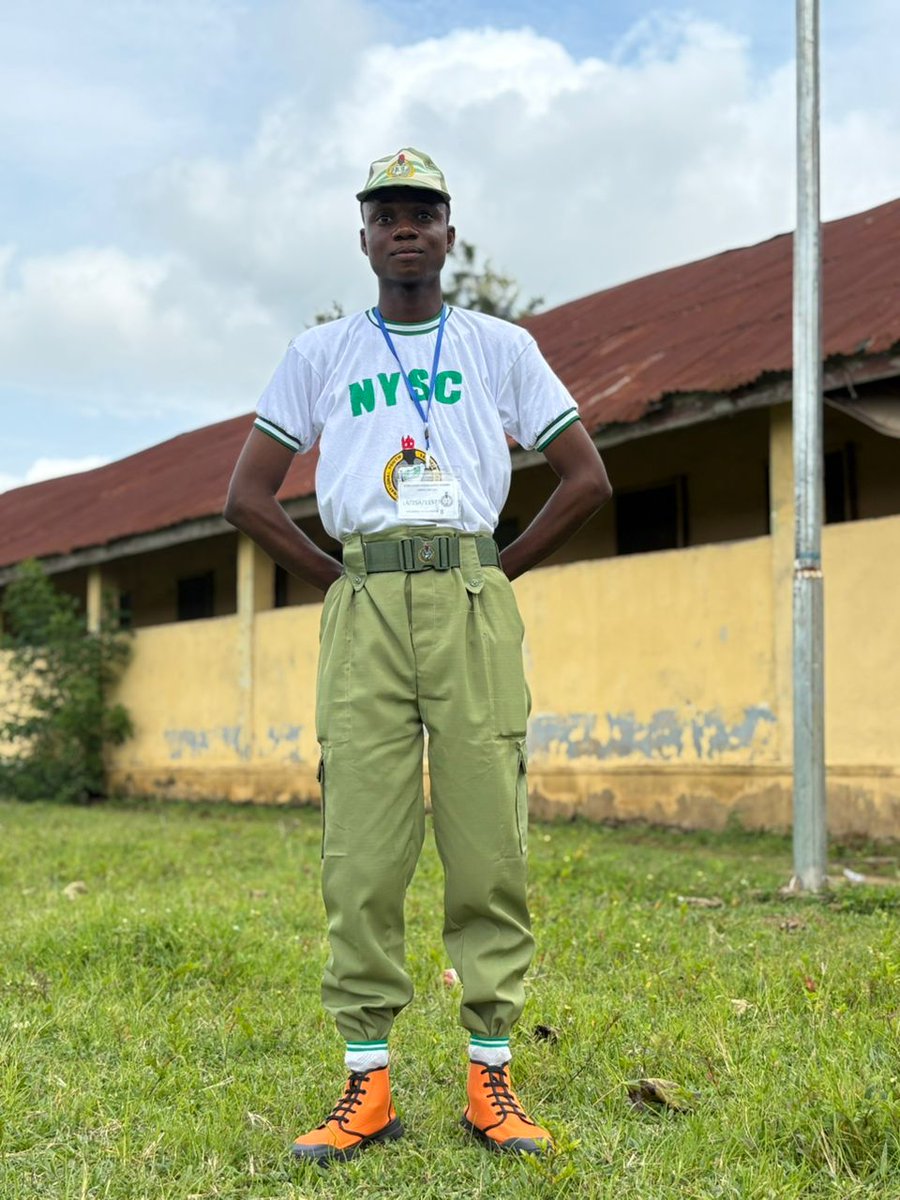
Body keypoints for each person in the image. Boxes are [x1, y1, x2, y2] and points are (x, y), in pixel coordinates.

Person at [224, 147, 612, 1163]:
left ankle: (491, 1076)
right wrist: (339, 582)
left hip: (470, 596)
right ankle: (367, 1084)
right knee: (361, 848)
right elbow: (246, 496)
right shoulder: (321, 353)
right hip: (367, 603)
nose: (405, 228)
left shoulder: (501, 347)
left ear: (449, 234)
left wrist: (496, 573)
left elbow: (586, 477)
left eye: (423, 213)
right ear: (363, 237)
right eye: (386, 213)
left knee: (488, 841)